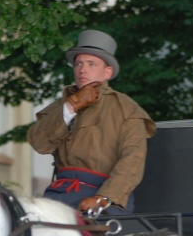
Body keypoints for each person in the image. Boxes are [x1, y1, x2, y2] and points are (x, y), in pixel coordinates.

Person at [27, 29, 156, 215]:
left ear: (107, 72)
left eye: (91, 64)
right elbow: (39, 144)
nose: (83, 69)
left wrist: (103, 198)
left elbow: (132, 162)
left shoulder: (127, 109)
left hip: (103, 196)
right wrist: (71, 107)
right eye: (78, 63)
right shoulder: (61, 106)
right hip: (59, 193)